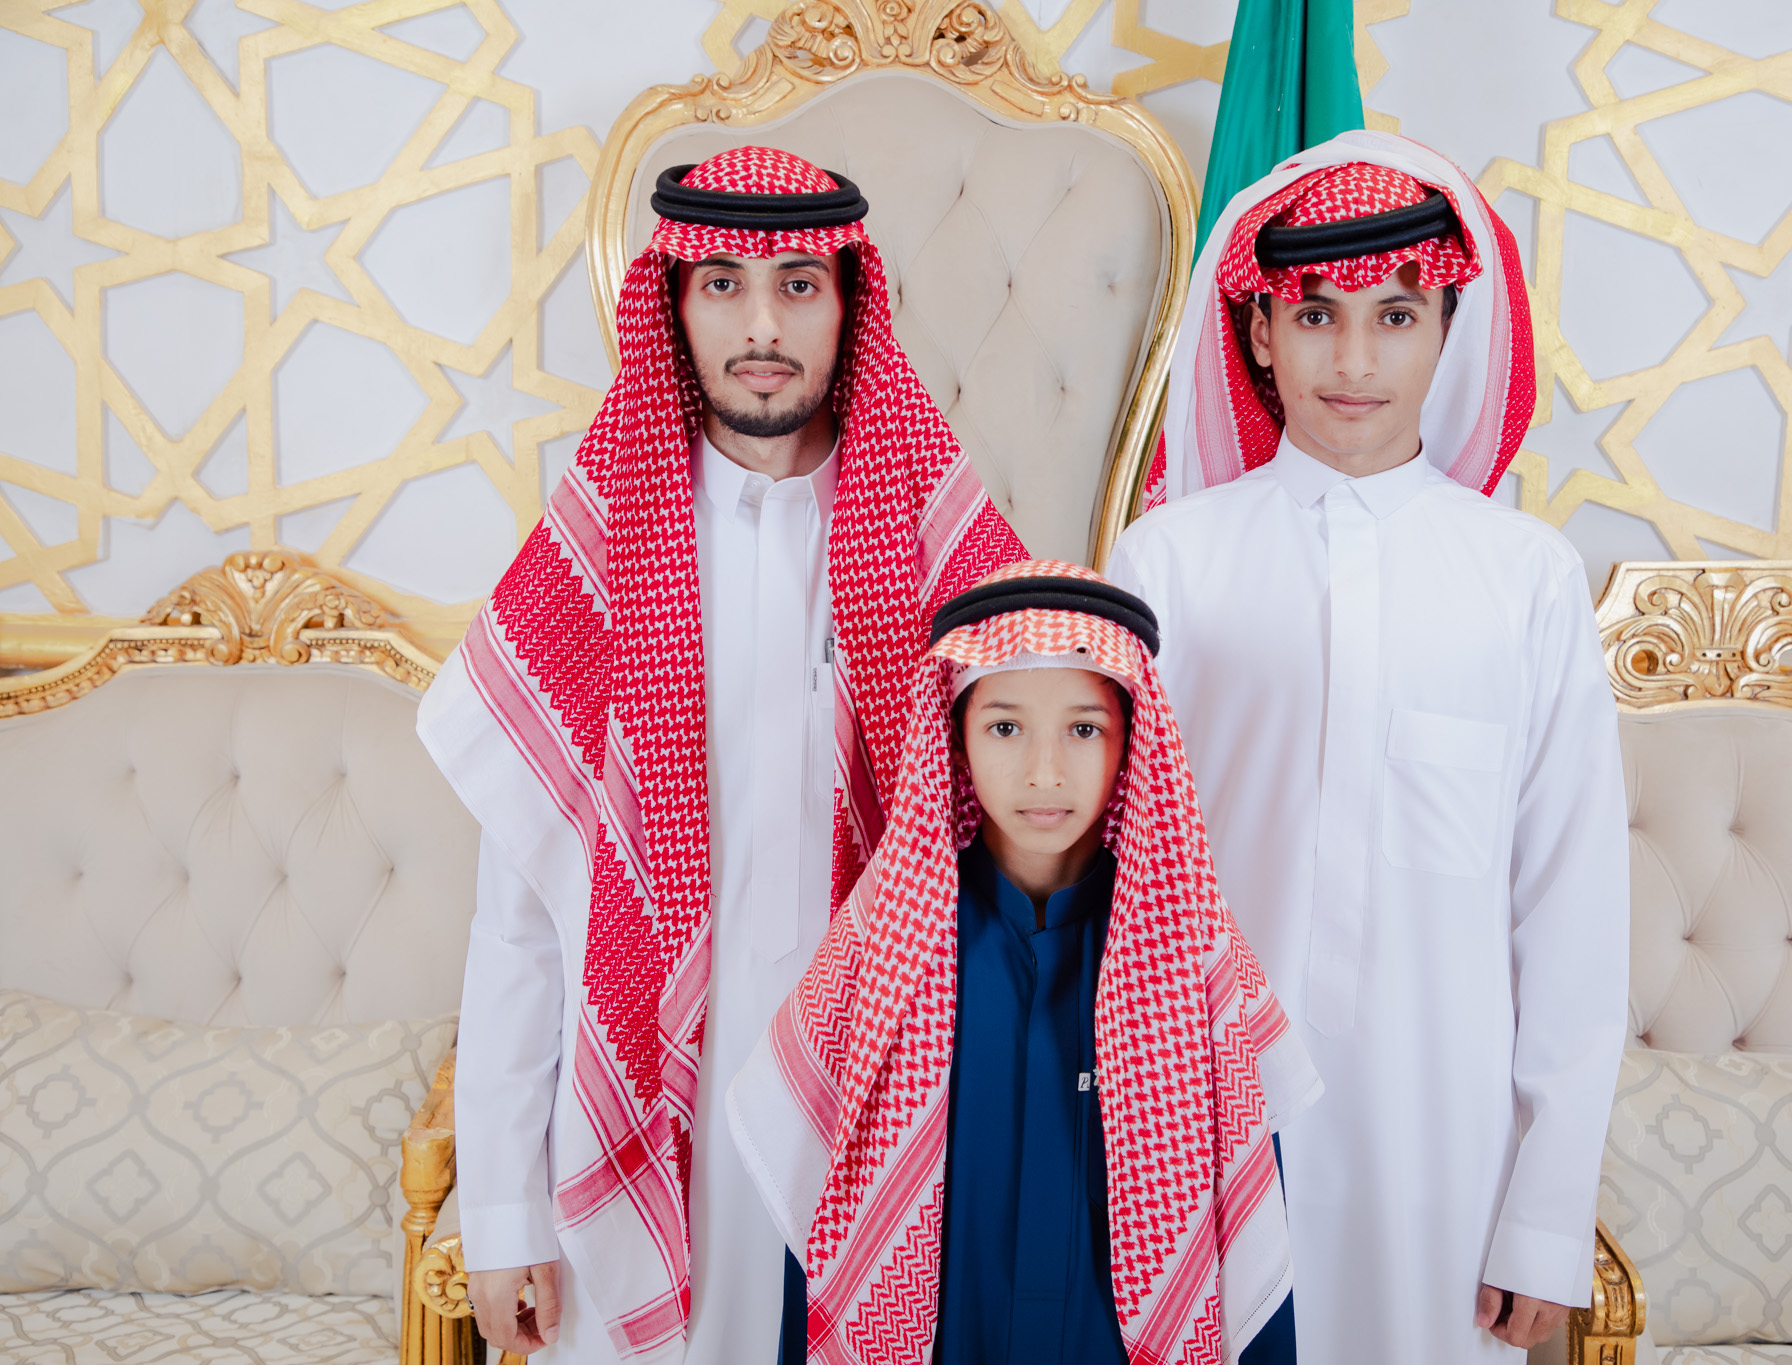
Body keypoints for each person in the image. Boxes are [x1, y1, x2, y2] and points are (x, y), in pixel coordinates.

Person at [415, 147, 1026, 1362]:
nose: (760, 327)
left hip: (886, 1110)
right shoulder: (596, 553)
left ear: (849, 302)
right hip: (640, 1106)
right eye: (722, 285)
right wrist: (500, 1213)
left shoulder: (938, 541)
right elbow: (520, 921)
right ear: (673, 305)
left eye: (797, 285)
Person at [1106, 131, 1629, 1362]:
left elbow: (1570, 912)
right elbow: (1118, 883)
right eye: (1314, 317)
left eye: (1394, 317)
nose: (1352, 361)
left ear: (1446, 331)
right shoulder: (1168, 563)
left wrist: (1544, 1218)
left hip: (1442, 1150)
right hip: (1202, 1124)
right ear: (1256, 334)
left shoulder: (1523, 576)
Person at [726, 560, 1322, 1365]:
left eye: (1084, 729)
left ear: (1131, 741)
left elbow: (1248, 1237)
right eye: (1006, 727)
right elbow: (823, 1236)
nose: (1045, 771)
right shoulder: (877, 960)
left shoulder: (1196, 966)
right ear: (957, 738)